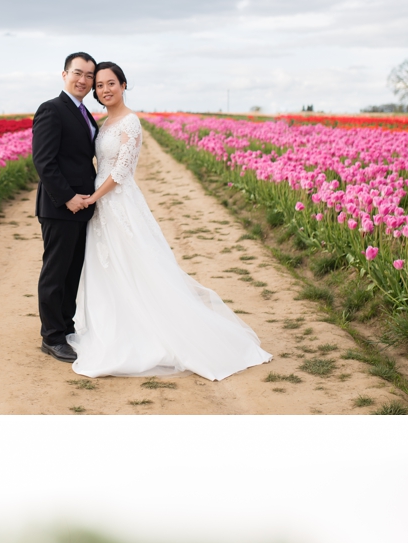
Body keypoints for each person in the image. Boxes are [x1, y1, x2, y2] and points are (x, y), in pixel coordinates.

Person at [64, 62, 271, 379]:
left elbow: (122, 171)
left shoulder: (130, 123)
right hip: (102, 205)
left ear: (123, 85)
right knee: (108, 266)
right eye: (100, 85)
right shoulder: (104, 123)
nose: (105, 89)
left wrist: (93, 198)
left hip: (116, 201)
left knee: (135, 264)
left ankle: (152, 333)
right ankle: (115, 328)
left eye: (111, 83)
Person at [30, 52, 102, 363]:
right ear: (64, 74)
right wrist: (68, 197)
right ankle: (52, 336)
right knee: (56, 272)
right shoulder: (52, 109)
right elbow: (44, 161)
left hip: (83, 206)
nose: (83, 80)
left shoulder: (84, 113)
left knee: (73, 272)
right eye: (78, 73)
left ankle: (67, 326)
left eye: (89, 76)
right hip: (60, 207)